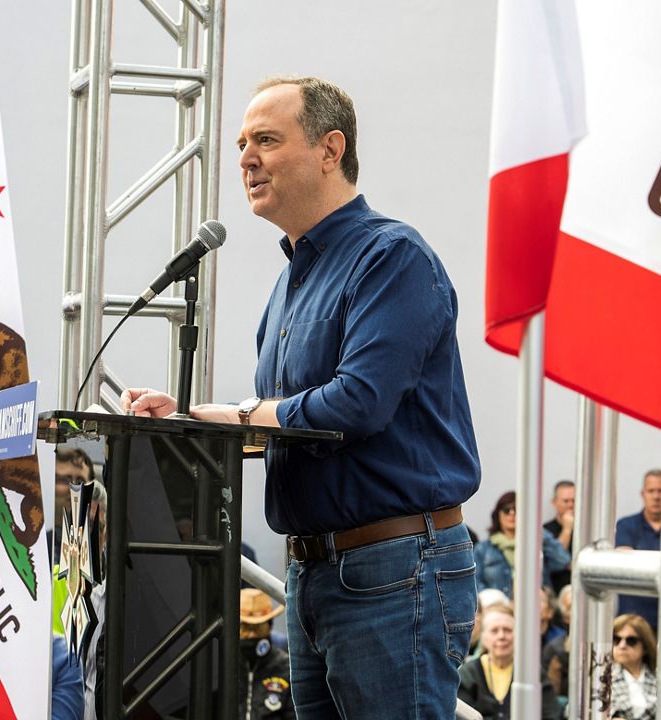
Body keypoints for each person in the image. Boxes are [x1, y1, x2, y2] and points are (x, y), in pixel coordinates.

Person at [121, 75, 480, 719]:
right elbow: (291, 425)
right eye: (240, 145)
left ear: (330, 148)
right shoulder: (290, 283)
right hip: (313, 573)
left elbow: (355, 405)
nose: (246, 159)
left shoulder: (392, 258)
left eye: (266, 140)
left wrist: (235, 415)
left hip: (393, 571)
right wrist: (192, 423)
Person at [457, 605, 561, 720]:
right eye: (494, 631)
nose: (501, 636)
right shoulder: (468, 674)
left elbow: (550, 714)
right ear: (484, 638)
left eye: (507, 630)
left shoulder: (533, 673)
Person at [474, 491, 570, 598]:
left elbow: (562, 561)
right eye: (506, 510)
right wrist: (496, 602)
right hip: (499, 609)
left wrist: (537, 529)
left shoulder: (535, 543)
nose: (512, 513)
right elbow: (475, 583)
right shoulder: (483, 549)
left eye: (517, 509)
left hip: (536, 605)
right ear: (498, 514)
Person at [615, 470, 661, 629]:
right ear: (643, 494)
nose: (656, 496)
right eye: (651, 491)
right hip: (632, 620)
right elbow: (626, 566)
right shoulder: (626, 525)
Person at [238, 588, 295, 719]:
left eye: (258, 627)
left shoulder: (287, 668)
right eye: (245, 627)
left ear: (270, 626)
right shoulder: (220, 667)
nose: (252, 634)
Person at [608, 613, 658, 720]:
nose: (622, 645)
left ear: (645, 647)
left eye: (631, 641)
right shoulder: (601, 676)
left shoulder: (660, 679)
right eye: (616, 639)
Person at [543, 480, 576, 590]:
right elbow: (556, 559)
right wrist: (567, 529)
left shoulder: (588, 529)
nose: (571, 505)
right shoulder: (545, 530)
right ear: (554, 502)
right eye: (566, 501)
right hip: (554, 589)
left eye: (574, 501)